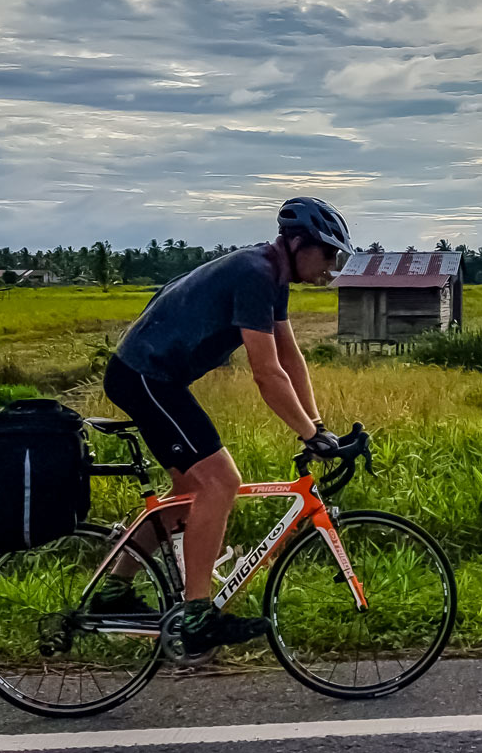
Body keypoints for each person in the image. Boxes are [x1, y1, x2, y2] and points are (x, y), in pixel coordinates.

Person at [95, 197, 353, 654]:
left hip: (153, 377)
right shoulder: (254, 274)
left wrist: (317, 424)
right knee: (221, 482)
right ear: (297, 244)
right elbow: (266, 372)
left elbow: (290, 357)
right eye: (328, 253)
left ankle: (110, 593)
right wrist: (311, 435)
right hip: (145, 376)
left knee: (187, 498)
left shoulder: (271, 274)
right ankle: (198, 615)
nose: (332, 266)